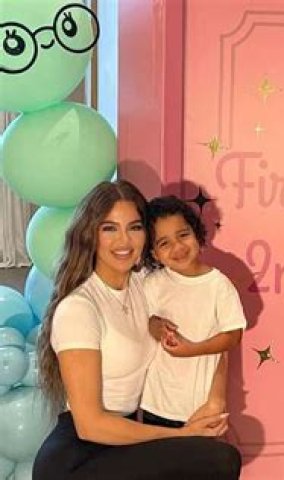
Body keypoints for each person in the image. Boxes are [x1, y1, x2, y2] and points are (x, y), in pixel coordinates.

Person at [34, 180, 241, 480]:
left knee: (216, 457)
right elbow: (90, 425)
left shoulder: (146, 285)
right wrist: (182, 434)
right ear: (90, 234)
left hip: (125, 442)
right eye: (109, 228)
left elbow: (214, 326)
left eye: (134, 227)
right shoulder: (79, 308)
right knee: (218, 460)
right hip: (80, 456)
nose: (124, 240)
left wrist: (215, 399)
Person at [140, 195, 246, 428]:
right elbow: (142, 322)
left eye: (183, 235)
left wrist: (193, 349)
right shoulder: (152, 284)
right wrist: (155, 326)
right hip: (155, 404)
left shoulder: (219, 285)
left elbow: (233, 335)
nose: (178, 247)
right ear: (154, 253)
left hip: (200, 406)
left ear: (197, 234)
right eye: (164, 243)